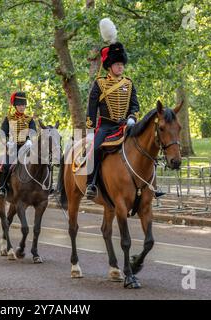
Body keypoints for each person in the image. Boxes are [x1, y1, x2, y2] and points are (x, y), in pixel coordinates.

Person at [84, 18, 139, 199]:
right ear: (109, 66)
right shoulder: (100, 84)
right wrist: (91, 129)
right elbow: (92, 108)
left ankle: (147, 185)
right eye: (117, 64)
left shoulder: (129, 84)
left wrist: (132, 117)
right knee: (96, 149)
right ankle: (91, 183)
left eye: (122, 65)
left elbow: (134, 105)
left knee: (144, 146)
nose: (121, 67)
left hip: (125, 125)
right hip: (106, 126)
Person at [0, 91, 36, 198]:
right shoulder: (8, 118)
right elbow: (3, 134)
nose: (22, 107)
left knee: (40, 163)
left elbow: (33, 133)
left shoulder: (29, 119)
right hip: (13, 147)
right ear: (15, 106)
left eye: (23, 105)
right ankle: (2, 188)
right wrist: (7, 142)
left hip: (26, 147)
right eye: (19, 105)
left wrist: (30, 140)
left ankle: (44, 186)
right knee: (5, 166)